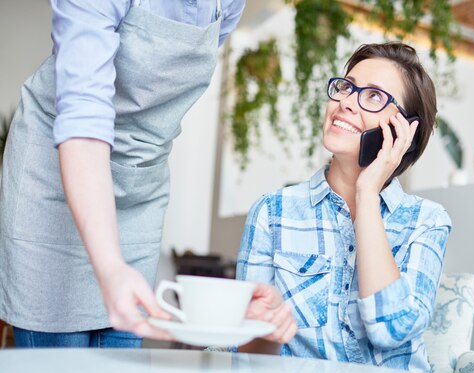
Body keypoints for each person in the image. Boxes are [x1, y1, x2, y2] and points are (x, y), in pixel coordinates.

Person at [0, 0, 295, 349]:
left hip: (141, 183)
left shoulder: (228, 4)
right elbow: (84, 124)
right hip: (58, 175)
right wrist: (110, 268)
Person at [236, 42, 451, 372]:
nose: (346, 103)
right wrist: (263, 328)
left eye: (374, 96)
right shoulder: (272, 213)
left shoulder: (426, 221)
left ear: (404, 130)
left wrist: (367, 193)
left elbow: (391, 331)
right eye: (346, 88)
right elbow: (247, 354)